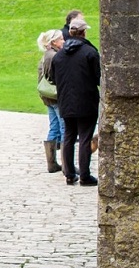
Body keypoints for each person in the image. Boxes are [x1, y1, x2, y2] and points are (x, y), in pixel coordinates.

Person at [51, 13, 101, 187]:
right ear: (83, 33)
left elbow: (53, 78)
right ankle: (85, 175)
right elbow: (98, 78)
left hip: (66, 101)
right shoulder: (90, 53)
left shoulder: (59, 56)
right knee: (85, 138)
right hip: (86, 101)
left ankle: (70, 174)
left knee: (69, 137)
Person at [36, 29, 64, 174]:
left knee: (54, 127)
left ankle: (52, 162)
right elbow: (54, 77)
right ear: (53, 42)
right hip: (55, 96)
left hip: (48, 98)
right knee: (64, 128)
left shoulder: (46, 55)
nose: (63, 41)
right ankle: (67, 164)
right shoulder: (53, 56)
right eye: (61, 39)